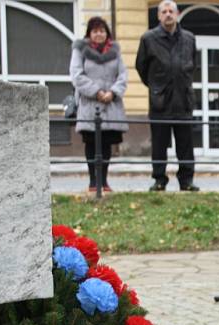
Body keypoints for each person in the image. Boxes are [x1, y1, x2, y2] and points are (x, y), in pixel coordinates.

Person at [136, 0, 199, 192]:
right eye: (164, 11)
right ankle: (159, 180)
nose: (168, 14)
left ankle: (186, 181)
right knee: (159, 144)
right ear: (158, 16)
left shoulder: (189, 38)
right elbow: (141, 67)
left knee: (186, 145)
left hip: (183, 99)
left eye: (171, 11)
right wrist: (156, 86)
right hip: (160, 101)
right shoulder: (148, 38)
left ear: (178, 13)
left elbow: (192, 64)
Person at [70, 17, 128, 193]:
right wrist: (97, 91)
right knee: (92, 143)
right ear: (89, 33)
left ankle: (104, 180)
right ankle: (93, 181)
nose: (99, 34)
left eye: (102, 30)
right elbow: (76, 75)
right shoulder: (80, 50)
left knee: (106, 144)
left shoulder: (115, 51)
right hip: (90, 104)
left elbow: (123, 76)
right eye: (95, 31)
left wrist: (112, 92)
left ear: (107, 33)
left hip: (111, 105)